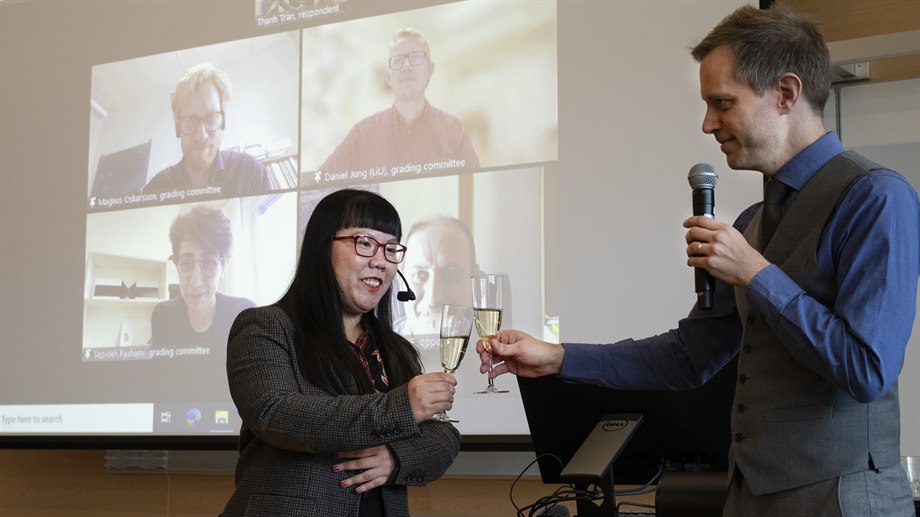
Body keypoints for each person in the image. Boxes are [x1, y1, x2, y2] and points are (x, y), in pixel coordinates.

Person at [479, 5, 919, 516]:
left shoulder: (876, 197)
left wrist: (756, 273)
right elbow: (687, 358)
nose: (708, 123)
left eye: (723, 103)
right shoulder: (755, 218)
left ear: (786, 93)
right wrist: (557, 357)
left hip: (843, 500)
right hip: (747, 496)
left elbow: (867, 369)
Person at [221, 189, 460, 517]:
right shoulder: (264, 326)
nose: (380, 260)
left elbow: (442, 433)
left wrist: (397, 457)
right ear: (323, 248)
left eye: (390, 248)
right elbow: (275, 412)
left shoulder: (395, 349)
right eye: (364, 243)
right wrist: (400, 406)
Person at [318, 28, 480, 175]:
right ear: (388, 77)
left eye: (416, 58)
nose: (406, 66)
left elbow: (474, 183)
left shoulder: (454, 130)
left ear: (430, 70)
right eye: (398, 61)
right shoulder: (361, 134)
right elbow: (320, 180)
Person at [143, 62, 271, 195]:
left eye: (211, 117)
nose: (201, 135)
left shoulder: (250, 172)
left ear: (223, 121)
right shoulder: (156, 189)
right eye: (190, 121)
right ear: (178, 128)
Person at [150, 206, 255, 349]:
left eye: (209, 263)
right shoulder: (163, 316)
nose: (196, 282)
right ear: (177, 267)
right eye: (186, 264)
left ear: (223, 268)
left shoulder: (244, 315)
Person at [397, 216, 480, 337]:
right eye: (420, 275)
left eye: (452, 274)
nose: (433, 300)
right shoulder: (374, 348)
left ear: (475, 280)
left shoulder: (492, 349)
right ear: (401, 281)